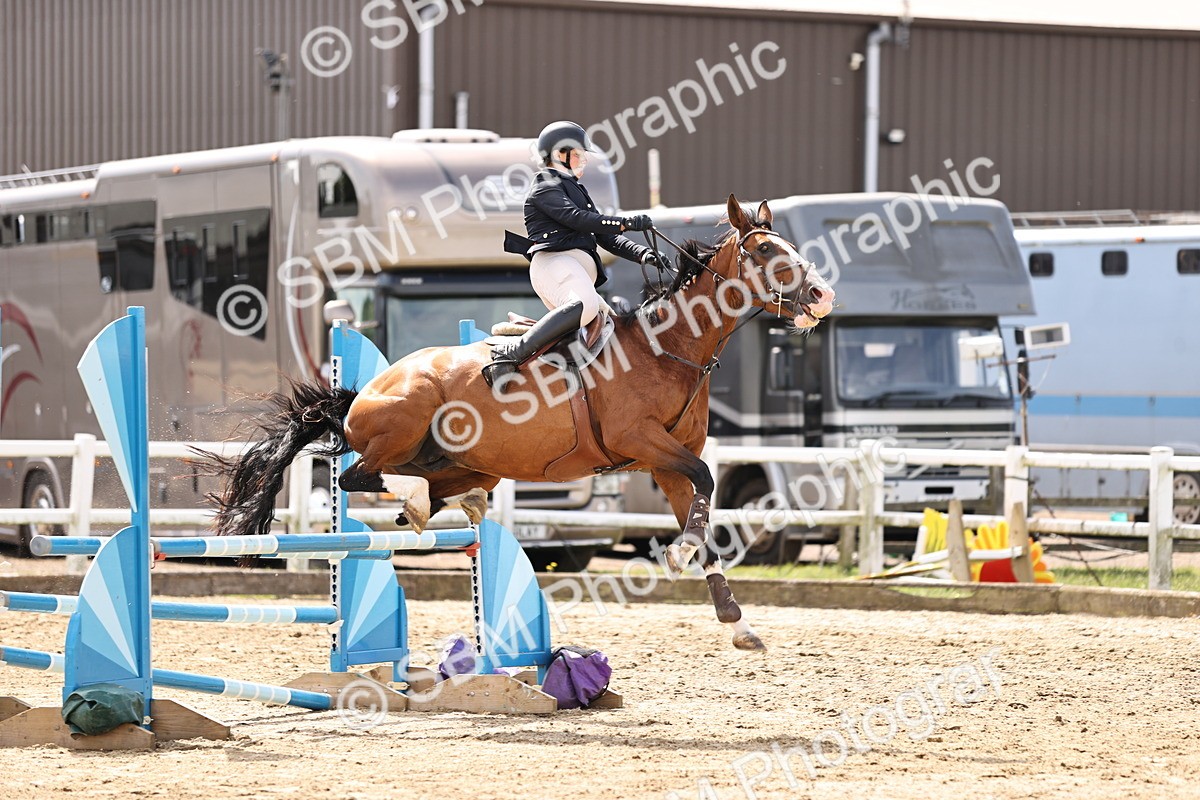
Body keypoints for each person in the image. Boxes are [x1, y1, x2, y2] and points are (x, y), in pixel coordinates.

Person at [483, 120, 669, 390]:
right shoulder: (545, 187)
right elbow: (579, 219)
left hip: (572, 269)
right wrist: (625, 222)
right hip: (554, 265)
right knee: (585, 305)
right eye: (579, 155)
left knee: (617, 331)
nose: (584, 161)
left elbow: (606, 238)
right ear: (560, 155)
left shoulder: (574, 189)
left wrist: (644, 253)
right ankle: (510, 355)